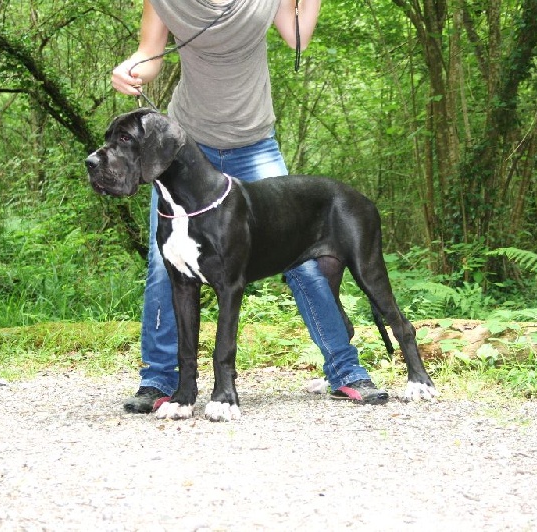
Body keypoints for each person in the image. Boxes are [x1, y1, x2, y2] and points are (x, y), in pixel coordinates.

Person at [111, 0, 388, 413]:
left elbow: (298, 36)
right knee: (163, 264)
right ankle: (158, 382)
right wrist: (130, 68)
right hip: (185, 149)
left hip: (254, 143)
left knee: (303, 258)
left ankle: (346, 372)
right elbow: (149, 56)